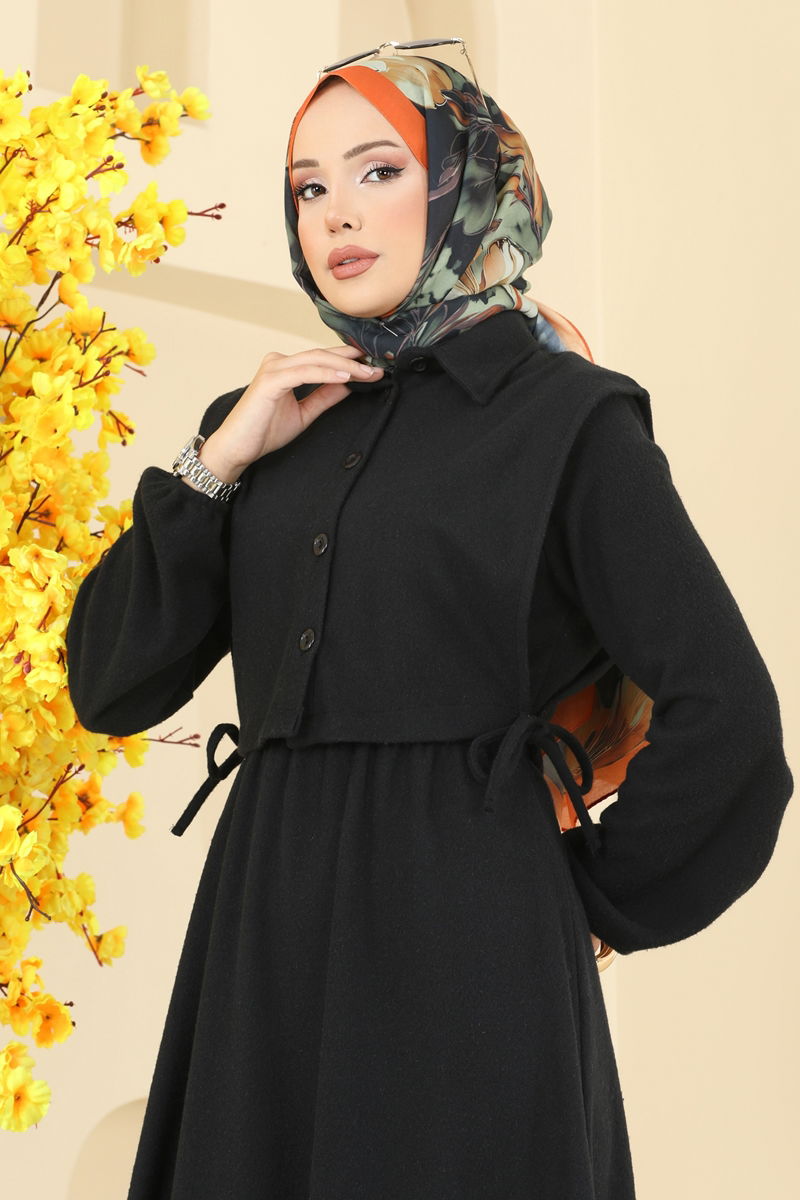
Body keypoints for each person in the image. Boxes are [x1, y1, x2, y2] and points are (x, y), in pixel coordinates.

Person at [65, 48, 794, 1200]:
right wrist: (219, 457)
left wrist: (581, 905)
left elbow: (729, 720)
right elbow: (110, 683)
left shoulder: (566, 420)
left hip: (468, 957)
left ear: (467, 182)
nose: (335, 214)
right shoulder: (270, 423)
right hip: (264, 945)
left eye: (377, 171)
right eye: (308, 187)